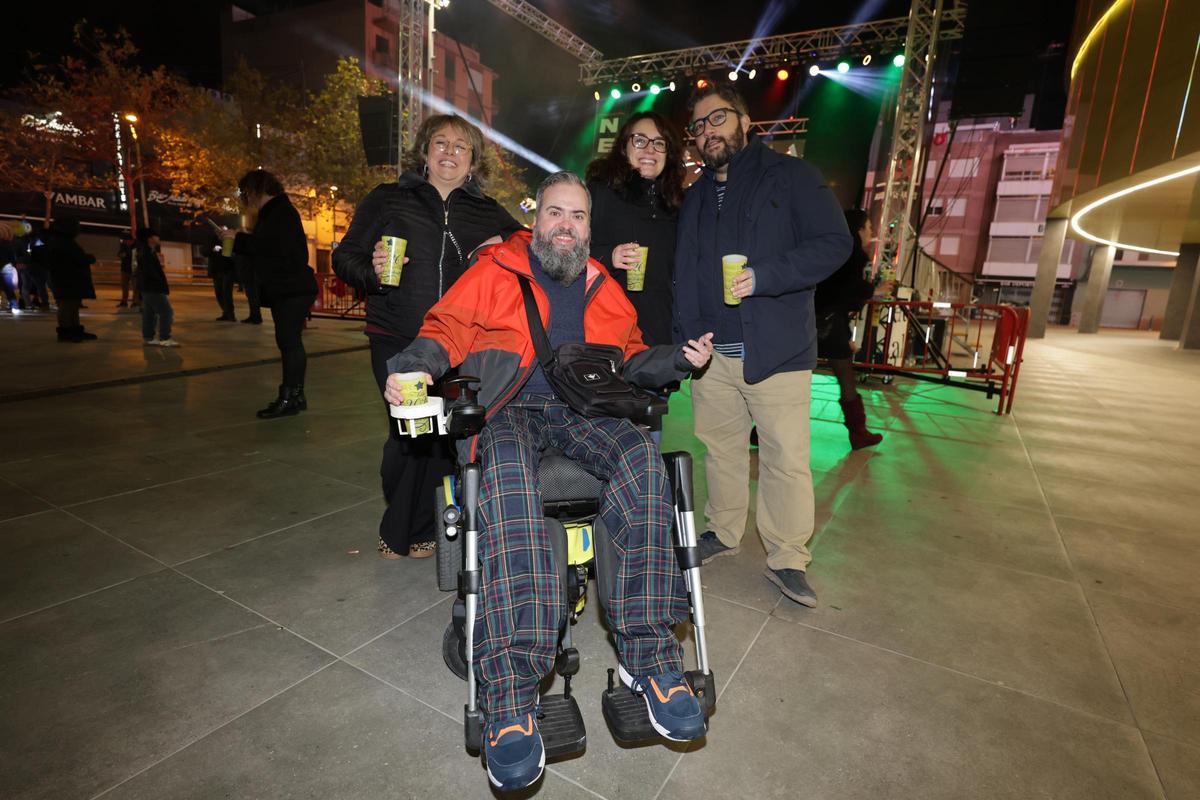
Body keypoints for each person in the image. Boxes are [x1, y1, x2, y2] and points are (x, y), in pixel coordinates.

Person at [384, 171, 714, 793]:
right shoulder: (496, 270)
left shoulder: (602, 285)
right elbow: (445, 327)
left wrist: (677, 359)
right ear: (536, 221)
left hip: (581, 410)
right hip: (506, 410)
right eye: (556, 214)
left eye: (578, 217)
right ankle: (511, 696)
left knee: (645, 458)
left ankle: (651, 659)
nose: (566, 226)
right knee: (508, 484)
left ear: (590, 227)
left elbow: (632, 355)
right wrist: (413, 368)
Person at [674, 85, 852, 608]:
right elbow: (687, 270)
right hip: (714, 355)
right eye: (700, 126)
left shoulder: (792, 176)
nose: (709, 131)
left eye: (718, 119)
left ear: (745, 122)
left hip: (775, 350)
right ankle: (724, 532)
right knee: (721, 450)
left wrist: (765, 275)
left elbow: (835, 244)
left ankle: (788, 556)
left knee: (785, 459)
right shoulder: (696, 195)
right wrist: (688, 332)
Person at [334, 114, 523, 560]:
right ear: (424, 151)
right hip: (397, 338)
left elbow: (528, 246)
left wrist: (502, 245)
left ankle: (422, 530)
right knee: (408, 432)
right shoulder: (388, 199)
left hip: (457, 344)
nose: (450, 153)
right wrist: (373, 273)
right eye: (441, 143)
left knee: (441, 438)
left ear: (473, 160)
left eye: (461, 147)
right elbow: (346, 257)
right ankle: (400, 528)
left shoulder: (486, 210)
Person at [586, 111, 686, 443]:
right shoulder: (600, 192)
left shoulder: (676, 205)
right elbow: (566, 250)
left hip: (655, 342)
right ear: (623, 146)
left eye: (660, 143)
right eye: (640, 140)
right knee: (599, 443)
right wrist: (608, 256)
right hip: (603, 340)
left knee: (646, 446)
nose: (649, 149)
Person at [233, 169, 318, 418]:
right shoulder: (278, 212)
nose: (245, 199)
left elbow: (272, 248)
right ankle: (295, 395)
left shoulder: (279, 213)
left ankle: (289, 396)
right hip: (291, 288)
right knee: (289, 342)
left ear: (256, 190)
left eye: (246, 193)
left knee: (289, 342)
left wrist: (239, 240)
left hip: (292, 289)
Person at [816, 209, 884, 450]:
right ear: (858, 229)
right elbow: (848, 292)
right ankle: (858, 432)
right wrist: (870, 290)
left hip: (812, 321)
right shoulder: (853, 256)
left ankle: (761, 433)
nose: (871, 232)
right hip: (832, 325)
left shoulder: (830, 249)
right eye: (868, 227)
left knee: (797, 379)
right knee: (846, 379)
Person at [42, 217, 99, 342]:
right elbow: (73, 258)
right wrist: (89, 258)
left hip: (69, 279)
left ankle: (74, 330)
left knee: (72, 305)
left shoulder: (62, 240)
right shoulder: (61, 241)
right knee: (66, 305)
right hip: (65, 279)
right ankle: (66, 332)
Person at [136, 228, 179, 347]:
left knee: (149, 313)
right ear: (150, 238)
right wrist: (160, 284)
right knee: (166, 312)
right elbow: (150, 272)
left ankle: (148, 338)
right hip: (153, 288)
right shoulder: (147, 253)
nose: (158, 238)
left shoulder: (147, 251)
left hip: (147, 288)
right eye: (156, 236)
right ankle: (165, 338)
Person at [208, 239, 238, 322]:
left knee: (226, 293)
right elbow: (204, 251)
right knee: (219, 293)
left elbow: (235, 256)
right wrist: (213, 249)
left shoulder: (229, 241)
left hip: (227, 271)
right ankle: (226, 313)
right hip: (216, 271)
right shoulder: (211, 241)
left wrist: (227, 252)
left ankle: (230, 314)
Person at [116, 231, 136, 309]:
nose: (125, 242)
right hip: (124, 269)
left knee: (135, 287)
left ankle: (135, 302)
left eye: (126, 241)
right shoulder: (124, 246)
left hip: (134, 270)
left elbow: (136, 258)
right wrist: (121, 255)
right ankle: (124, 301)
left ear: (131, 240)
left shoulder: (136, 246)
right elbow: (119, 254)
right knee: (124, 286)